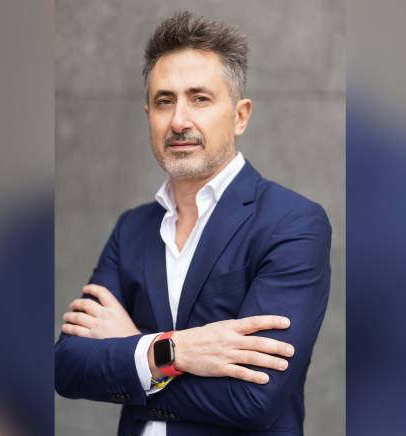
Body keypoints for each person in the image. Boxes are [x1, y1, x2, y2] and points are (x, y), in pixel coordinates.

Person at [54, 11, 332, 436]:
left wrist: (135, 353)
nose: (179, 121)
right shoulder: (132, 229)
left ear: (240, 115)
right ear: (148, 114)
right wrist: (175, 349)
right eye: (164, 101)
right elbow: (68, 367)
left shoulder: (292, 223)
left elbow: (254, 400)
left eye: (200, 98)